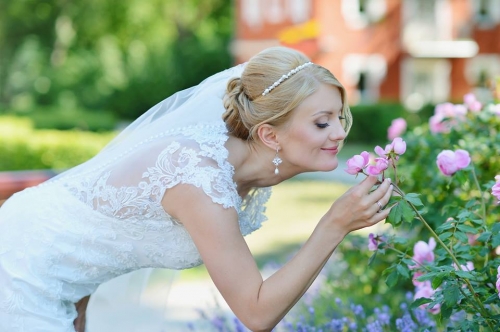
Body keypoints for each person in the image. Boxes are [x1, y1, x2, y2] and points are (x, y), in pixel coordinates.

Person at [0, 46, 393, 332]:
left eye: (339, 117)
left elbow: (87, 238)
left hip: (62, 273)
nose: (341, 133)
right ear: (269, 135)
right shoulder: (199, 177)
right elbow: (256, 314)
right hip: (20, 266)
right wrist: (334, 225)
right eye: (323, 123)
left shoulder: (250, 161)